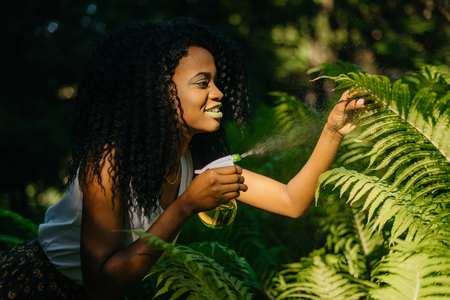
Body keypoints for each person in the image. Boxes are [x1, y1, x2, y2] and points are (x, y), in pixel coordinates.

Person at [0, 18, 365, 299]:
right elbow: (100, 285)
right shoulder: (110, 161)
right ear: (159, 93)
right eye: (203, 82)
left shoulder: (194, 163)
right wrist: (186, 205)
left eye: (217, 81)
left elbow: (291, 201)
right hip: (34, 286)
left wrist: (332, 131)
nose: (219, 93)